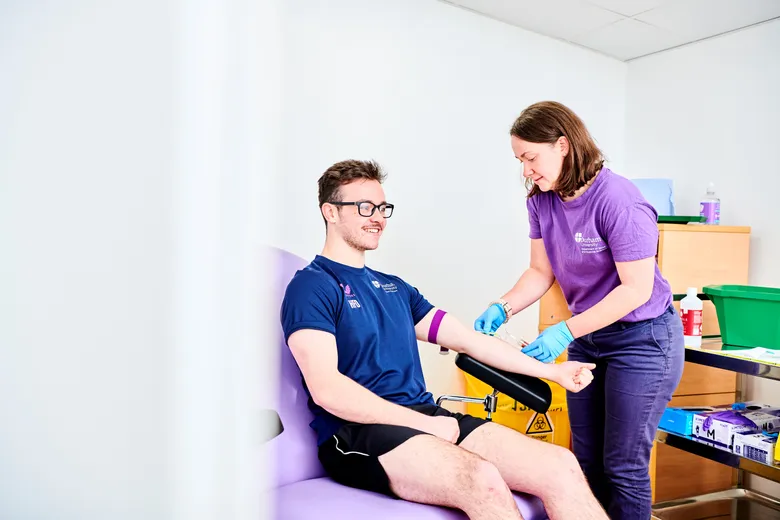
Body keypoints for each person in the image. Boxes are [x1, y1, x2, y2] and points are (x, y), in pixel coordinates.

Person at [281, 159, 608, 520]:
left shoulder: (395, 289)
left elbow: (471, 342)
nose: (378, 217)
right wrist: (423, 425)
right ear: (330, 212)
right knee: (480, 478)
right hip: (355, 434)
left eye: (382, 207)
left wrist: (554, 373)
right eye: (364, 207)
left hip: (423, 415)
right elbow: (328, 390)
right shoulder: (312, 286)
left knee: (560, 465)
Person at [474, 101, 685, 519]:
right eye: (519, 161)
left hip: (643, 341)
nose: (525, 171)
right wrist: (504, 306)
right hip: (590, 340)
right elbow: (540, 271)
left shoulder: (620, 200)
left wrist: (564, 332)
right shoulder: (541, 202)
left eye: (530, 158)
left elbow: (636, 290)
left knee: (623, 467)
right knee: (583, 461)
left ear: (564, 145)